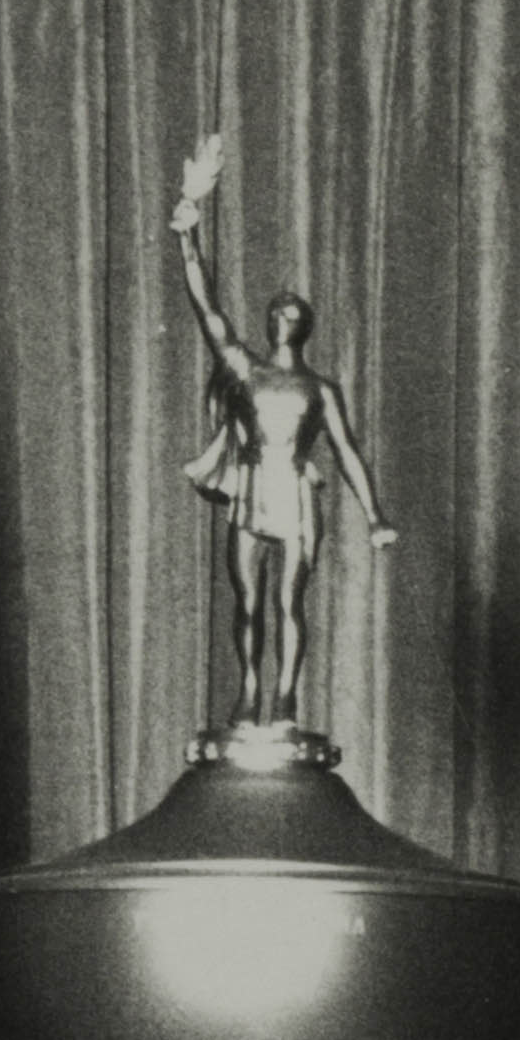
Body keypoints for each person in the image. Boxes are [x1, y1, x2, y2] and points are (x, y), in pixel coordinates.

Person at [168, 133, 392, 721]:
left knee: (291, 603)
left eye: (290, 312)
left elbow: (346, 451)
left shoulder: (320, 389)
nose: (280, 315)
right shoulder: (246, 368)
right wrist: (187, 236)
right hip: (251, 490)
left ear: (305, 325)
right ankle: (248, 692)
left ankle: (286, 697)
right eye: (275, 311)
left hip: (294, 494)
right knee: (246, 603)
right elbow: (207, 311)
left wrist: (375, 516)